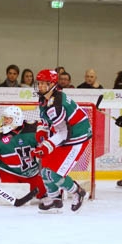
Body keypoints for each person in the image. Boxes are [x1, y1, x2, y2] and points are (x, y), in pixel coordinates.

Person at [34, 69, 92, 212]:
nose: (40, 86)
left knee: (55, 174)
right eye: (39, 83)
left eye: (44, 84)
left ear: (52, 85)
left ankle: (77, 192)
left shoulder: (56, 105)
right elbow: (45, 119)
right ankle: (55, 199)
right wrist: (41, 131)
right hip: (66, 135)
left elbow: (63, 132)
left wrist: (46, 146)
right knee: (45, 170)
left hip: (77, 137)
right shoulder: (45, 98)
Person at [0, 106, 46, 201]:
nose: (5, 121)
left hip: (32, 172)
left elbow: (48, 137)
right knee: (7, 198)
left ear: (17, 119)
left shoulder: (33, 129)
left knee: (46, 193)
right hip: (7, 172)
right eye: (5, 118)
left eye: (8, 118)